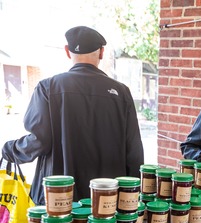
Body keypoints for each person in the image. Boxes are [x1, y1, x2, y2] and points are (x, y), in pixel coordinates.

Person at [1, 26, 144, 204]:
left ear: (68, 52)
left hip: (58, 199)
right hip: (107, 199)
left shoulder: (48, 88)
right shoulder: (121, 93)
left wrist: (11, 150)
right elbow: (134, 151)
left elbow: (39, 141)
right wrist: (132, 196)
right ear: (101, 52)